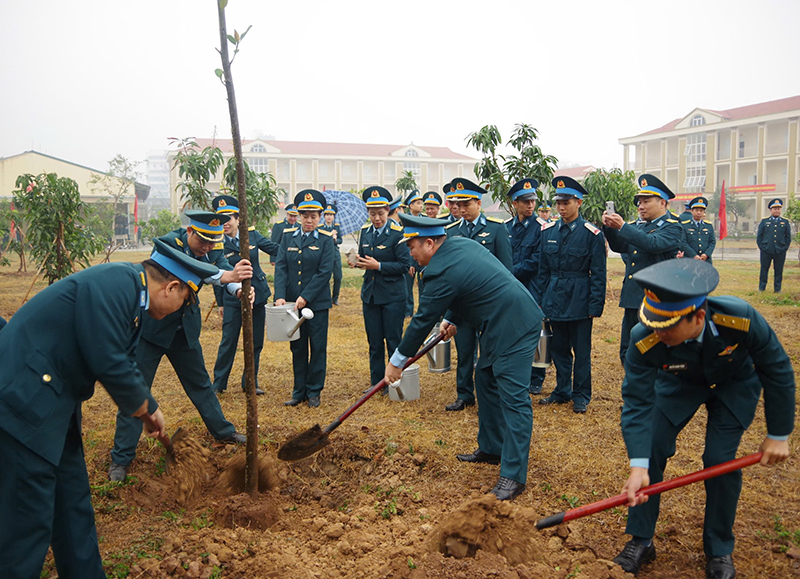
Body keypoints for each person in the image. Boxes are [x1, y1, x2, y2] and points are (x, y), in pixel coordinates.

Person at [0, 240, 218, 579]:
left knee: (73, 508)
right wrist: (145, 407)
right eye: (184, 302)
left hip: (55, 408)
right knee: (27, 522)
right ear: (171, 288)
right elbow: (107, 358)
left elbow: (121, 357)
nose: (181, 310)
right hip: (25, 405)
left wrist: (148, 408)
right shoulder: (116, 284)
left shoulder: (131, 294)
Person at [611, 258, 794, 579]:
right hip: (679, 383)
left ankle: (719, 549)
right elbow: (637, 401)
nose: (658, 332)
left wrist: (779, 433)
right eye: (654, 324)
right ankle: (641, 539)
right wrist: (637, 465)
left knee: (719, 460)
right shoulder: (646, 336)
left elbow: (777, 369)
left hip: (733, 385)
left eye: (667, 327)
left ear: (698, 316)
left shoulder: (740, 318)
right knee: (651, 448)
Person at [385, 214, 544, 501]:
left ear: (430, 243)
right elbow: (467, 284)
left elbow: (422, 320)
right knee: (484, 378)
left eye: (412, 246)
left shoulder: (440, 271)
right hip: (499, 321)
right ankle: (492, 448)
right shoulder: (459, 246)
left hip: (514, 324)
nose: (410, 252)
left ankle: (513, 475)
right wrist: (451, 318)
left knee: (514, 399)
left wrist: (397, 362)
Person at [109, 211, 251, 481]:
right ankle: (121, 458)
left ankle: (223, 432)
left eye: (213, 242)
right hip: (152, 330)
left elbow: (220, 267)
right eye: (203, 241)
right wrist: (227, 276)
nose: (208, 247)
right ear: (189, 232)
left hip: (184, 330)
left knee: (200, 384)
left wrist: (238, 288)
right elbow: (196, 270)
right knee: (136, 392)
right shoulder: (168, 244)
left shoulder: (212, 248)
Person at [535, 177, 607, 413]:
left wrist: (595, 306)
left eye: (566, 202)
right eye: (558, 203)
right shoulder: (548, 231)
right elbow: (543, 271)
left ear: (579, 202)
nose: (561, 207)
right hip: (554, 298)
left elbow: (598, 274)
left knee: (582, 351)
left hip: (579, 298)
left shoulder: (592, 234)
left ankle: (582, 395)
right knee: (559, 349)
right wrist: (542, 300)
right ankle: (562, 390)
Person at [443, 177, 513, 411]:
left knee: (490, 351)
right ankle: (464, 394)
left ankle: (489, 393)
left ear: (479, 203)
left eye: (466, 205)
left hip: (489, 304)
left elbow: (506, 269)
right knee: (464, 350)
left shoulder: (496, 228)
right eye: (458, 205)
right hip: (463, 305)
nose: (461, 210)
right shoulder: (451, 232)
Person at [602, 174, 683, 365]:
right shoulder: (637, 227)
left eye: (646, 201)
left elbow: (652, 244)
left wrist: (623, 227)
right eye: (639, 202)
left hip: (656, 300)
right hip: (633, 297)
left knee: (653, 350)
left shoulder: (673, 228)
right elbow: (620, 246)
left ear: (663, 203)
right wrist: (610, 229)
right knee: (628, 349)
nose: (641, 206)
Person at [211, 195, 279, 395]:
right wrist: (220, 303)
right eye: (221, 219)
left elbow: (275, 249)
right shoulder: (216, 243)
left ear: (238, 219)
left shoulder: (252, 235)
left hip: (258, 296)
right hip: (232, 298)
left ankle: (250, 382)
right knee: (228, 341)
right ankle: (218, 384)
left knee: (256, 341)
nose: (225, 224)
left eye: (229, 219)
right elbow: (217, 275)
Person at [275, 190, 335, 408]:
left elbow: (324, 272)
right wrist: (281, 296)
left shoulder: (326, 240)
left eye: (313, 216)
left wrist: (305, 297)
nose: (309, 220)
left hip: (317, 304)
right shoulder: (287, 236)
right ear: (298, 215)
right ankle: (298, 390)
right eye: (305, 215)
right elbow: (281, 266)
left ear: (320, 217)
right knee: (297, 347)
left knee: (317, 347)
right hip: (293, 305)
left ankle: (314, 391)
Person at [356, 186, 412, 390]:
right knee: (374, 342)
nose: (377, 218)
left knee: (394, 340)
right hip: (370, 296)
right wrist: (359, 262)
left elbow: (405, 266)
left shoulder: (398, 233)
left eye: (380, 213)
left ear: (388, 211)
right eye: (372, 214)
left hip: (392, 296)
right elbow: (365, 258)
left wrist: (378, 266)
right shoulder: (365, 232)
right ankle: (376, 383)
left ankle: (396, 382)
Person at [506, 178, 548, 395]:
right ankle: (517, 373)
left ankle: (537, 377)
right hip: (510, 289)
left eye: (532, 201)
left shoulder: (542, 228)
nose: (530, 205)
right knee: (512, 330)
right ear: (515, 203)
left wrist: (510, 272)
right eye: (525, 201)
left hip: (533, 286)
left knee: (535, 331)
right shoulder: (506, 228)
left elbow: (538, 260)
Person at [757, 198, 792, 293]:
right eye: (775, 209)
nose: (777, 210)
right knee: (764, 269)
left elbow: (788, 237)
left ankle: (777, 289)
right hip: (766, 250)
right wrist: (762, 247)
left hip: (780, 250)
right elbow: (759, 236)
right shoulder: (764, 221)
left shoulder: (785, 222)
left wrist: (785, 248)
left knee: (779, 270)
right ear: (770, 210)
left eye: (779, 209)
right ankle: (762, 288)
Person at [404, 190, 424, 316]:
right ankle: (408, 311)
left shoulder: (425, 220)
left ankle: (423, 311)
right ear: (411, 206)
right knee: (407, 287)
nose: (421, 206)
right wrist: (409, 263)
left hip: (423, 259)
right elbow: (406, 244)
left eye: (422, 203)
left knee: (424, 287)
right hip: (410, 258)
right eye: (418, 203)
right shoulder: (405, 220)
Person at [319, 203, 343, 306]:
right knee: (325, 277)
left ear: (334, 216)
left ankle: (335, 298)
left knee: (338, 277)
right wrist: (330, 236)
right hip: (324, 256)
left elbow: (340, 240)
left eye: (331, 215)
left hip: (335, 254)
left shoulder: (336, 227)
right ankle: (327, 297)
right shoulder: (320, 228)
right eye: (327, 214)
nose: (329, 217)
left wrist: (335, 238)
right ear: (324, 216)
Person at [681, 196, 716, 263]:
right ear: (692, 211)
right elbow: (683, 243)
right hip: (690, 260)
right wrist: (693, 255)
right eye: (696, 210)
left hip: (705, 260)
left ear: (704, 212)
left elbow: (712, 242)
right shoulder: (685, 225)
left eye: (701, 211)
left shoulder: (708, 226)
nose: (699, 213)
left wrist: (706, 254)